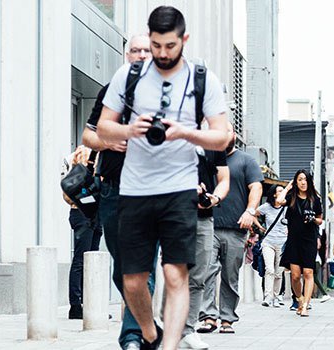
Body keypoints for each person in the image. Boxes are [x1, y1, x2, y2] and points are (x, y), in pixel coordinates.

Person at [96, 6, 232, 349]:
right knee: (132, 280)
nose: (161, 53)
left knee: (175, 273)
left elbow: (223, 136)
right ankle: (149, 333)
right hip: (135, 189)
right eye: (156, 45)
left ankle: (168, 346)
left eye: (169, 46)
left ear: (183, 39)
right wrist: (130, 129)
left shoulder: (202, 79)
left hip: (179, 188)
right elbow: (102, 127)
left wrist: (186, 134)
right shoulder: (129, 76)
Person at [81, 33, 151, 350]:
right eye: (134, 50)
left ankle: (132, 337)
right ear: (126, 55)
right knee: (122, 269)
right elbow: (88, 136)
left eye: (145, 51)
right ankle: (144, 322)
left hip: (151, 192)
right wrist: (108, 141)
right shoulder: (111, 92)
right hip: (113, 190)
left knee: (142, 266)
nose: (139, 55)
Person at [199, 127, 264, 334]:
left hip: (236, 228)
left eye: (226, 131)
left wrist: (250, 211)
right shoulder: (206, 157)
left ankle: (227, 318)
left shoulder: (246, 161)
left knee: (230, 275)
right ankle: (209, 316)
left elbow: (256, 188)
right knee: (207, 271)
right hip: (208, 224)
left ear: (234, 135)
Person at [180, 141, 229, 349]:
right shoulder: (171, 136)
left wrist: (214, 197)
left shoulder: (214, 144)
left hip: (204, 217)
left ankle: (188, 331)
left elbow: (224, 178)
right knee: (175, 274)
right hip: (175, 214)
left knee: (199, 275)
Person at [61, 146, 103, 320]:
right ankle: (76, 306)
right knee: (82, 259)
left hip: (87, 212)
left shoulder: (76, 154)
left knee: (90, 261)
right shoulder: (87, 154)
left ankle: (87, 305)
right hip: (84, 212)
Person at [277, 169, 324, 317]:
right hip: (294, 240)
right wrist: (288, 187)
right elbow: (278, 201)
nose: (303, 182)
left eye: (305, 179)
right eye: (300, 180)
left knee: (308, 272)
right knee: (295, 276)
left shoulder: (315, 199)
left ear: (309, 181)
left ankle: (306, 305)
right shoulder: (291, 197)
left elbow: (320, 219)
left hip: (309, 239)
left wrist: (313, 219)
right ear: (296, 182)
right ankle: (300, 299)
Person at [256, 185, 288, 307]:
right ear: (274, 194)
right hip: (268, 242)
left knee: (279, 272)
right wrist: (259, 226)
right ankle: (268, 297)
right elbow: (253, 213)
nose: (282, 192)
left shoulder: (287, 208)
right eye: (280, 191)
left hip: (282, 243)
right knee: (269, 269)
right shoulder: (266, 207)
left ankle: (276, 296)